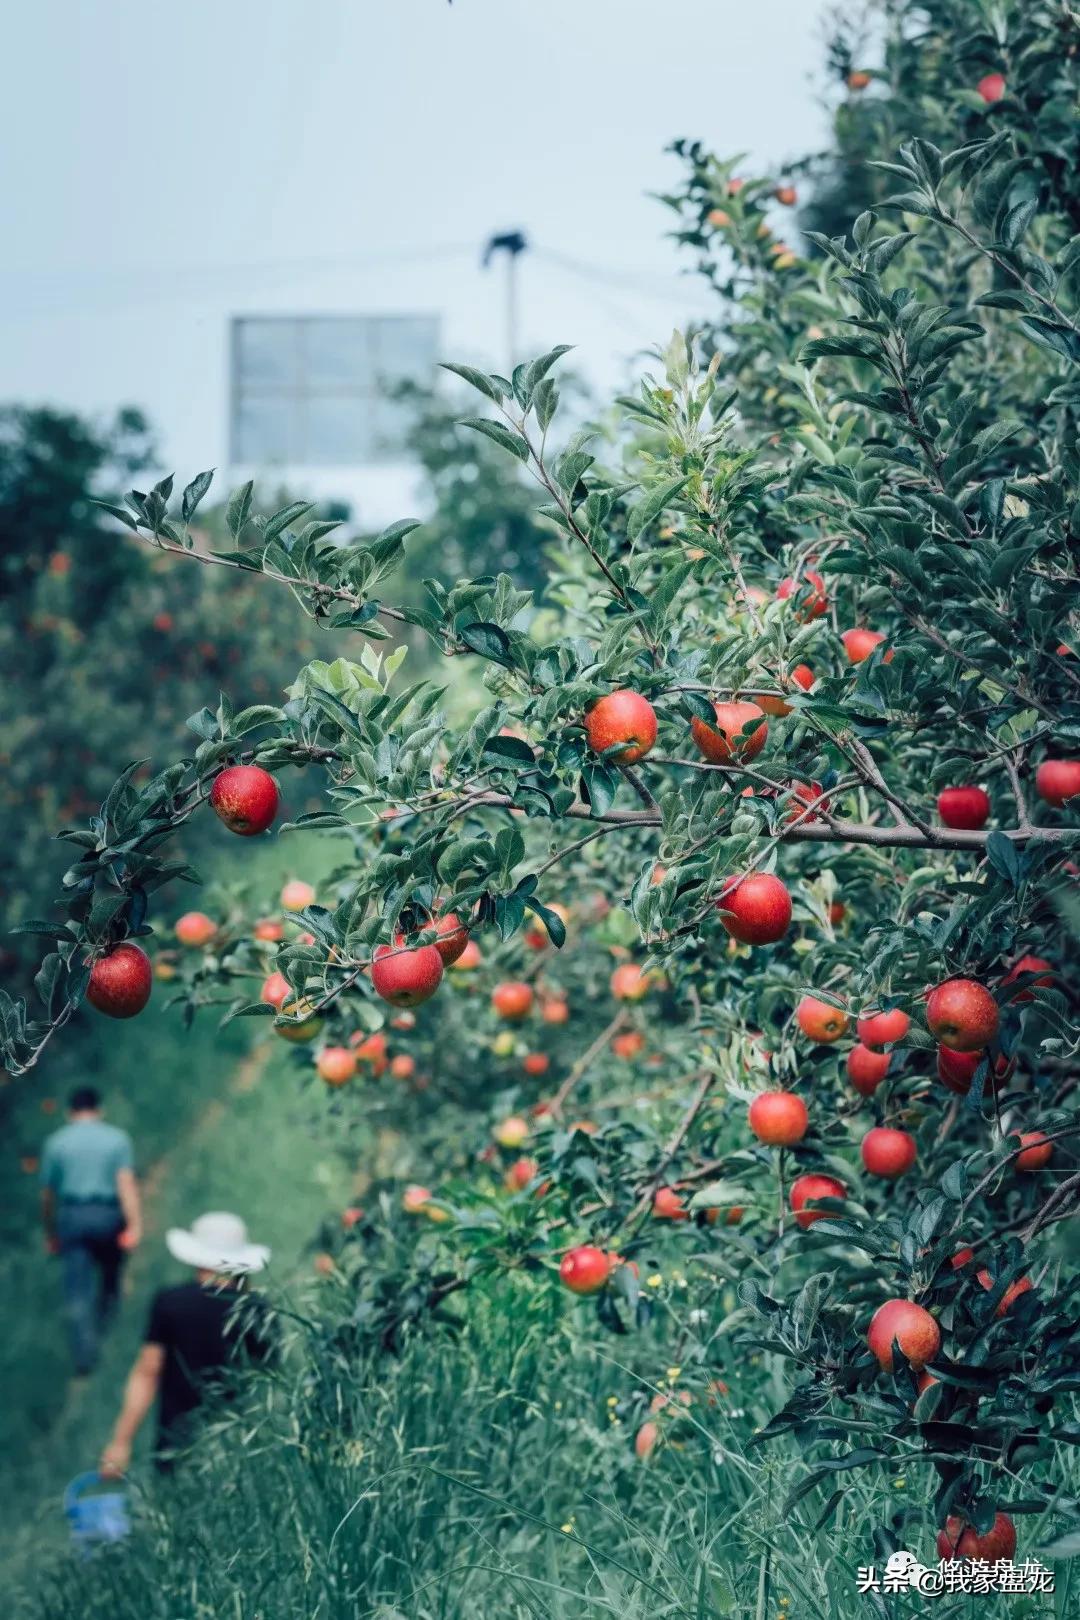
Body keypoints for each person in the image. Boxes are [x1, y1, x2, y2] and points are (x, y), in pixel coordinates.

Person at [100, 1211, 273, 1476]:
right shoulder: (258, 1310)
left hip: (176, 1439)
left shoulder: (171, 1302)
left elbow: (148, 1371)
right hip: (240, 1445)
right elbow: (271, 1380)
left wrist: (121, 1442)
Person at [40, 1086, 142, 1376]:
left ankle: (85, 1356)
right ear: (99, 1110)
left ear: (69, 1112)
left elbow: (47, 1195)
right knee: (110, 1275)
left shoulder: (56, 1143)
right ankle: (110, 1333)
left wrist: (50, 1232)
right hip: (107, 1214)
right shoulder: (117, 1140)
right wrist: (134, 1225)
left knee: (77, 1289)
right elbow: (125, 1184)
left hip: (72, 1215)